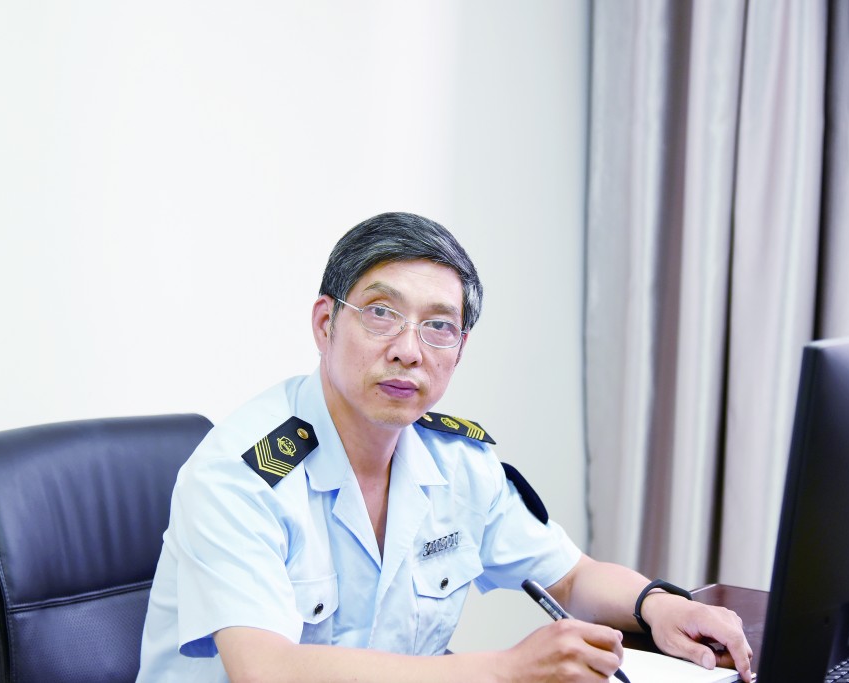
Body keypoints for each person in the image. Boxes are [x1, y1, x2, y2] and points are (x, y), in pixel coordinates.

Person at [136, 212, 753, 682]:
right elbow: (265, 669)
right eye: (381, 313)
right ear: (325, 324)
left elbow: (570, 577)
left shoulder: (458, 462)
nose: (409, 350)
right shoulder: (240, 474)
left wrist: (657, 606)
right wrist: (503, 670)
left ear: (459, 349)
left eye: (438, 326)